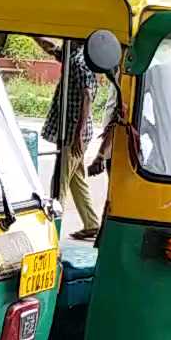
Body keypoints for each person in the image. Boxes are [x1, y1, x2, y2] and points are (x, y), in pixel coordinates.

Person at [40, 40, 102, 240]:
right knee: (77, 179)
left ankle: (52, 231)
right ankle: (91, 223)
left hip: (74, 134)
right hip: (76, 133)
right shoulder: (74, 56)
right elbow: (51, 48)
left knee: (60, 183)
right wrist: (30, 32)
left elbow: (87, 97)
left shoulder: (80, 62)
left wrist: (77, 135)